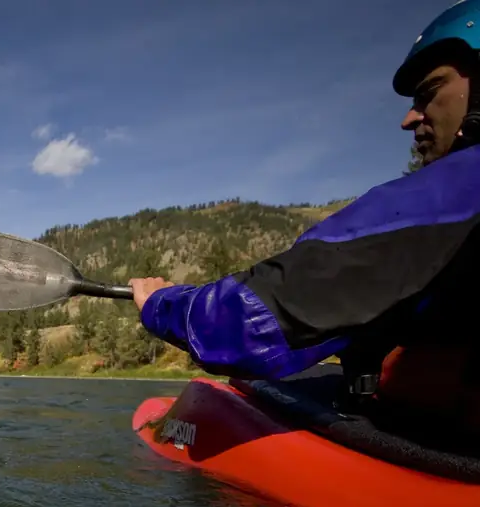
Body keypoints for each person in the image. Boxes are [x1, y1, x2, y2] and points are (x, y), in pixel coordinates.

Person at [129, 0, 480, 429]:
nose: (409, 119)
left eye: (428, 93)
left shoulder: (464, 188)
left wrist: (160, 304)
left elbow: (253, 321)